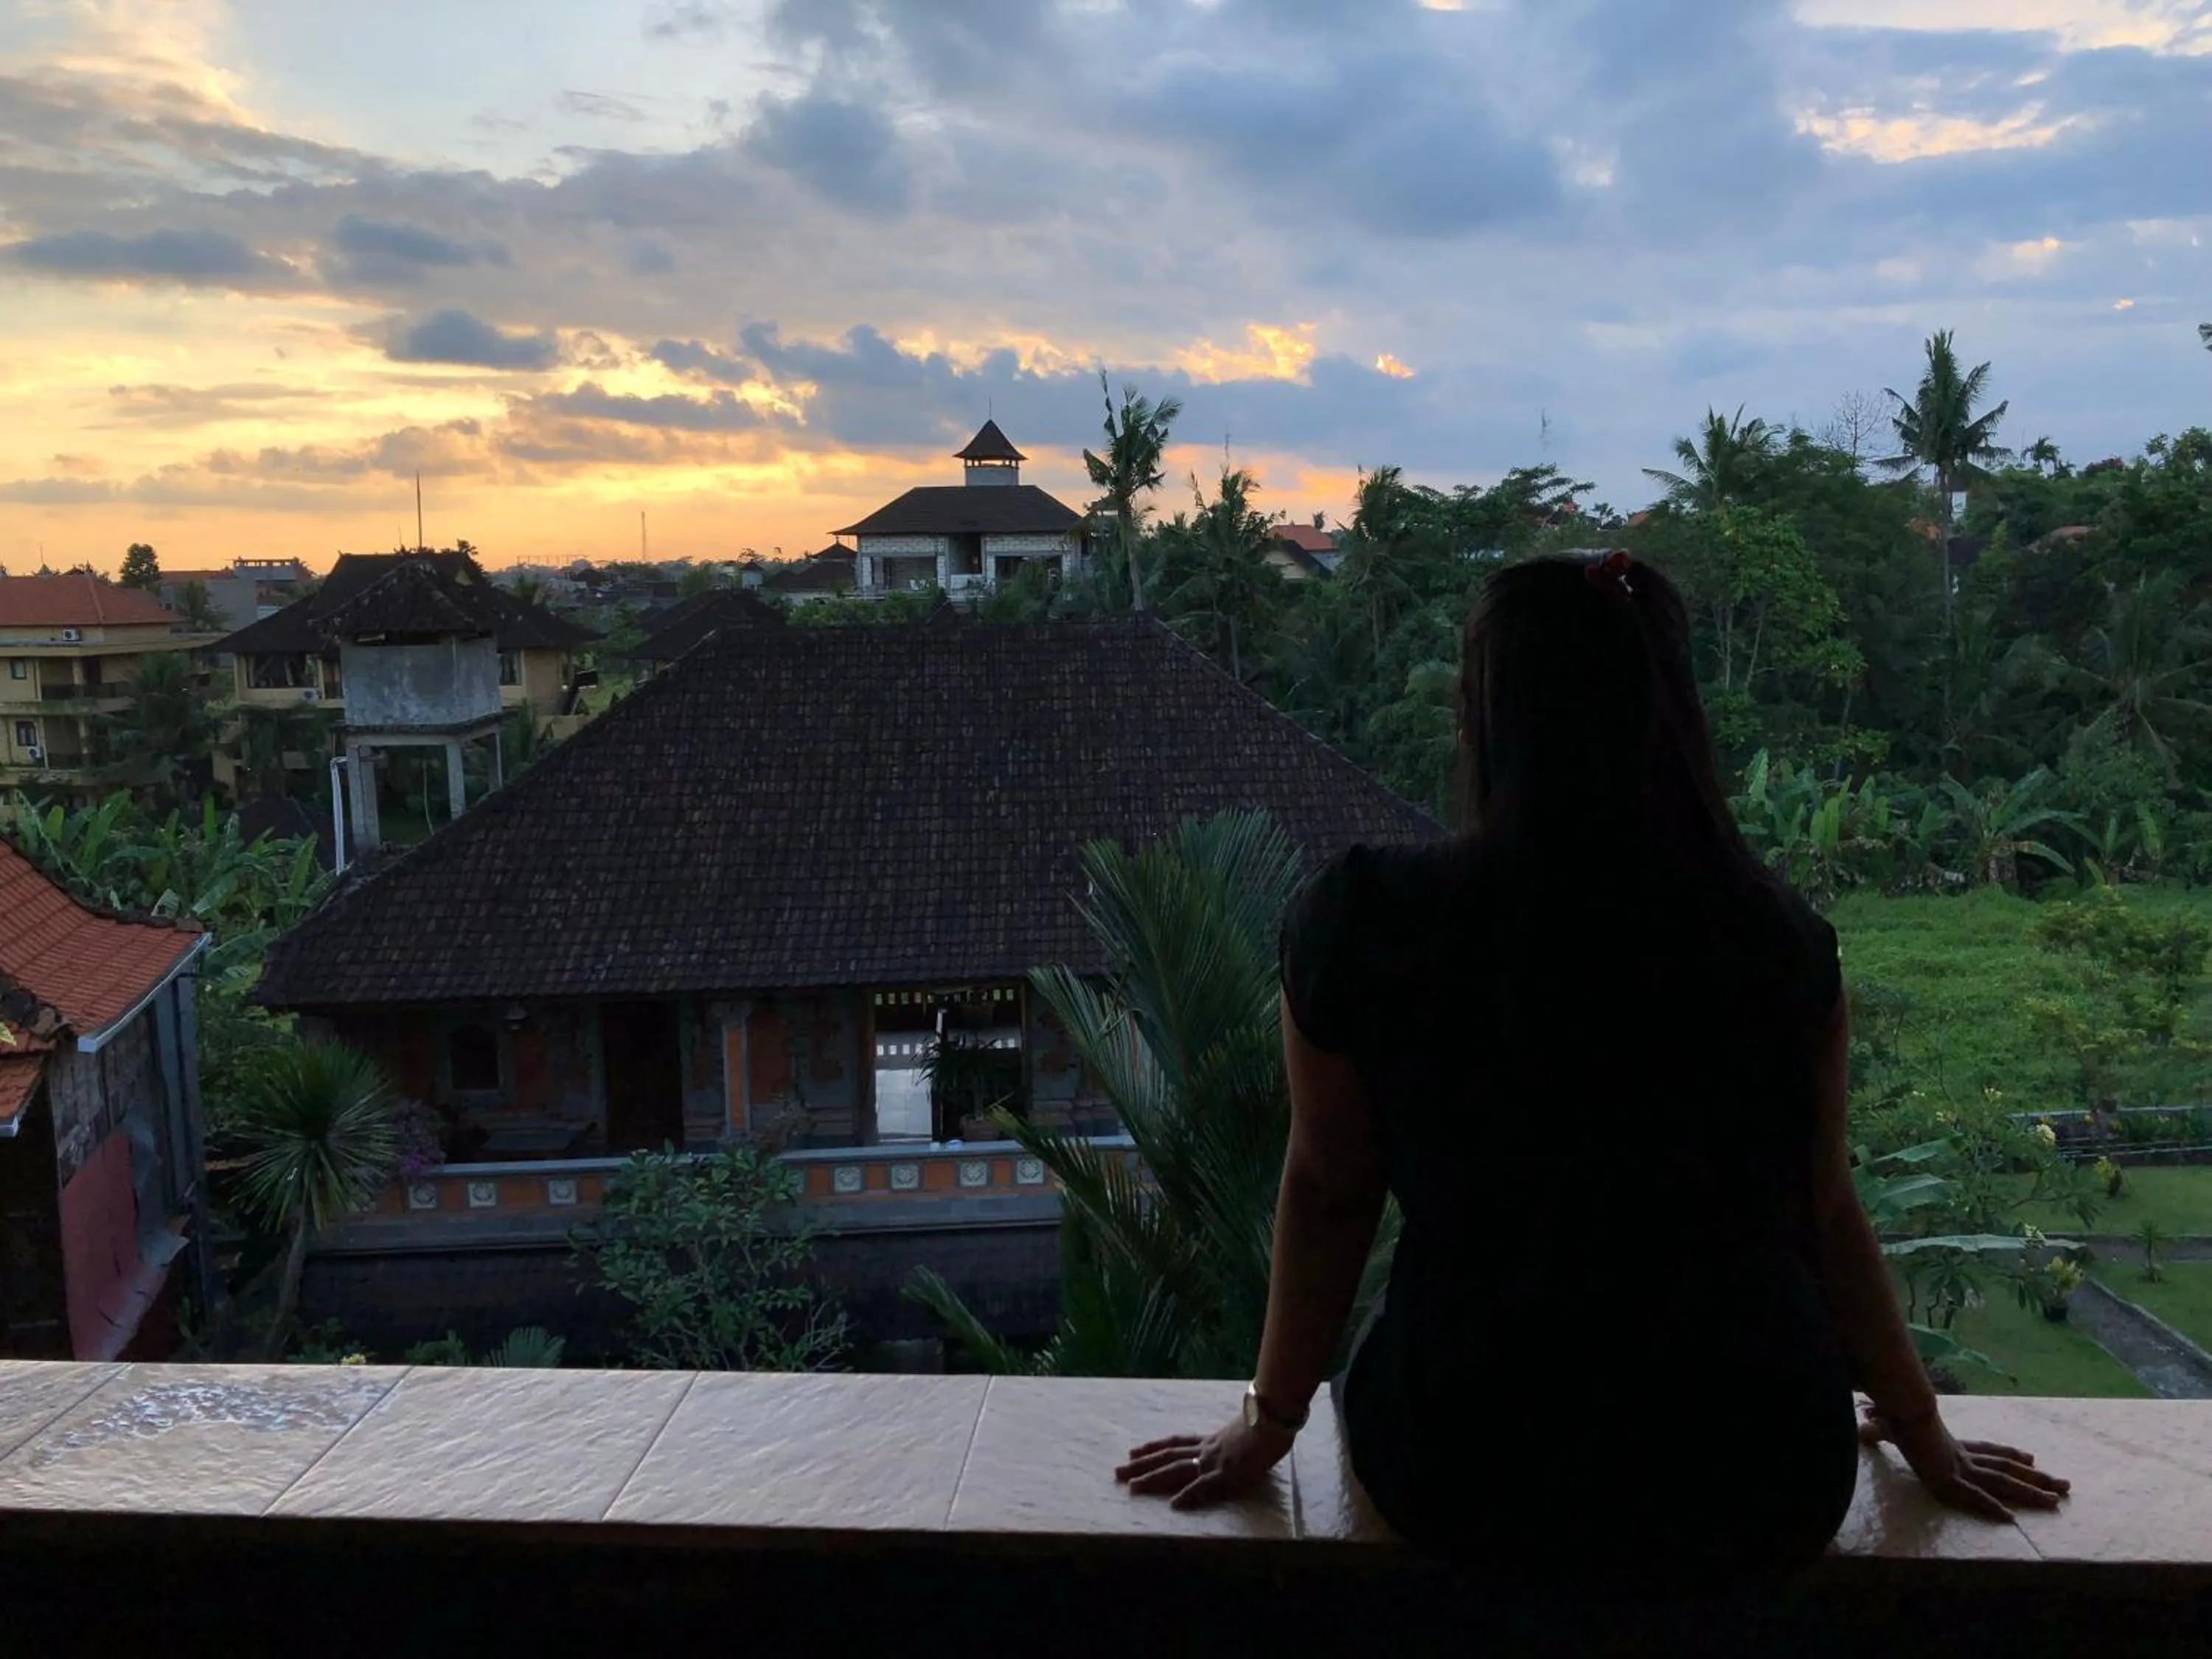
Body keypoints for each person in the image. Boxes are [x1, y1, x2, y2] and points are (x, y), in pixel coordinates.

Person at [1115, 552, 2067, 1587]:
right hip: (1755, 1464)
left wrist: (1270, 1418)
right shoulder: (1777, 940)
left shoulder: (1369, 922)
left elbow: (1334, 1186)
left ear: (1485, 711)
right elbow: (1824, 1206)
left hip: (1474, 1456)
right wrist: (1925, 1432)